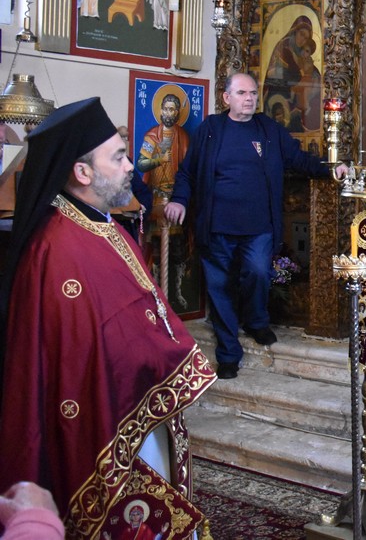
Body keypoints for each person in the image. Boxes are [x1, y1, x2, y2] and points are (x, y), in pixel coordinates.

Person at [0, 98, 216, 539]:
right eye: (117, 157)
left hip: (139, 407)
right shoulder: (58, 249)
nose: (130, 166)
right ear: (82, 172)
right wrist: (165, 360)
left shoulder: (100, 224)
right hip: (108, 415)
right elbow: (85, 347)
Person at [165, 73, 348, 379]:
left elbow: (299, 159)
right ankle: (228, 354)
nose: (249, 98)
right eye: (241, 93)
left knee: (259, 273)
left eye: (252, 93)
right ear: (227, 98)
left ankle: (256, 321)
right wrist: (179, 200)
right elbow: (187, 172)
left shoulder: (269, 129)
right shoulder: (211, 129)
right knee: (220, 289)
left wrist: (331, 168)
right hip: (216, 227)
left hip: (259, 226)